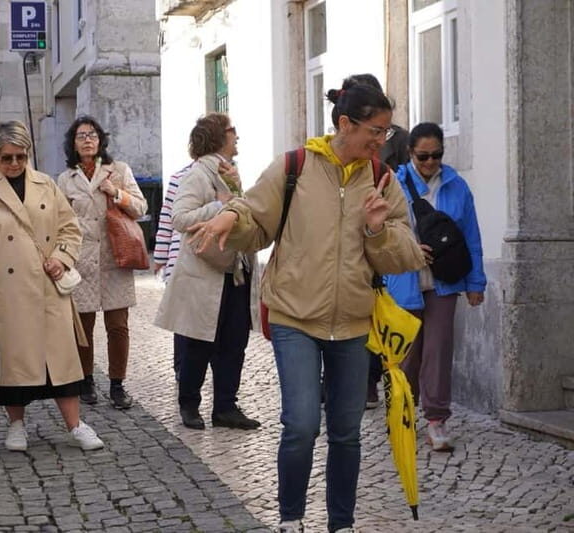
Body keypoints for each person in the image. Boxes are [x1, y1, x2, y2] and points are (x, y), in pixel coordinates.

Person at [188, 80, 425, 532]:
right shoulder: (294, 167)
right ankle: (291, 519)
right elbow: (255, 218)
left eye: (386, 132)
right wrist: (229, 218)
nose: (381, 140)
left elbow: (408, 253)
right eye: (375, 130)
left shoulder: (381, 179)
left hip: (354, 323)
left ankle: (342, 524)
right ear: (344, 123)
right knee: (300, 425)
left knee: (346, 432)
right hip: (294, 317)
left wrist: (377, 231)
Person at [0, 120, 104, 452]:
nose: (15, 164)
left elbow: (70, 229)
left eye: (20, 156)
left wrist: (62, 257)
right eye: (7, 158)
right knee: (11, 365)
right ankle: (16, 425)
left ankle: (76, 425)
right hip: (5, 292)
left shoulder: (46, 185)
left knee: (61, 363)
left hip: (46, 287)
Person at [155, 113, 261, 431]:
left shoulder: (229, 172)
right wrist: (220, 206)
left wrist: (234, 197)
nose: (237, 135)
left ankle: (226, 407)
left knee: (234, 343)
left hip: (236, 271)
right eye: (232, 130)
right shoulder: (199, 174)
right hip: (206, 274)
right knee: (198, 343)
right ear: (217, 136)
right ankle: (190, 405)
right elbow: (179, 217)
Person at [386, 122, 486, 452]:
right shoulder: (394, 185)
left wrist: (476, 283)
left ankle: (436, 419)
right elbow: (380, 234)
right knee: (408, 356)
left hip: (445, 282)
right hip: (405, 281)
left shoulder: (457, 186)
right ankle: (401, 411)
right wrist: (408, 249)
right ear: (410, 154)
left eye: (437, 156)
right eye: (423, 156)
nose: (431, 163)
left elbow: (471, 237)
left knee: (439, 351)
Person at [57, 116, 147, 410]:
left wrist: (116, 193)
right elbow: (59, 220)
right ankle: (85, 380)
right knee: (81, 325)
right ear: (73, 143)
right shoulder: (65, 179)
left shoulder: (119, 171)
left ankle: (117, 384)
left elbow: (141, 207)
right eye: (81, 135)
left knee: (118, 325)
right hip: (80, 260)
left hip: (114, 257)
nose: (87, 140)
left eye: (92, 135)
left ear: (101, 140)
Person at [347, 73, 412, 409]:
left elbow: (402, 195)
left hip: (378, 235)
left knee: (374, 311)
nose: (378, 139)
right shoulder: (320, 160)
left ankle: (371, 379)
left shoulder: (397, 142)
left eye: (381, 132)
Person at [153, 161, 194, 380]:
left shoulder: (228, 174)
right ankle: (181, 367)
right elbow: (167, 220)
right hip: (180, 259)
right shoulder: (180, 177)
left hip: (215, 260)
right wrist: (160, 257)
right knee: (182, 318)